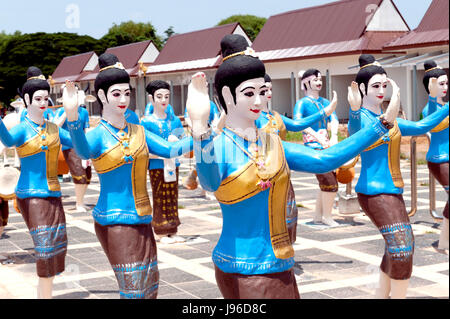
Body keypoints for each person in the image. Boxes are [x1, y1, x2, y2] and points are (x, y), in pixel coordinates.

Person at [185, 34, 398, 299]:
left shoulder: (273, 144)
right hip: (244, 267)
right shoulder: (219, 146)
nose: (258, 102)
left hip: (278, 263)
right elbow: (209, 182)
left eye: (262, 92)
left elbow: (326, 159)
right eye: (248, 94)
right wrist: (199, 128)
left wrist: (379, 126)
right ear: (227, 95)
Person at [62, 53, 192, 299]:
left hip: (142, 218)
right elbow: (81, 150)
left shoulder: (139, 131)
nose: (123, 100)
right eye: (116, 94)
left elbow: (169, 150)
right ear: (101, 96)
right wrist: (72, 118)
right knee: (134, 289)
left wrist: (200, 135)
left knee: (149, 286)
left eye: (127, 93)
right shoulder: (98, 134)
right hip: (115, 220)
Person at [347, 54, 449, 299]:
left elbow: (423, 126)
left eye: (384, 85)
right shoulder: (361, 119)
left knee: (396, 247)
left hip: (393, 192)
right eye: (375, 86)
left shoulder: (393, 121)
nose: (381, 90)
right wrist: (353, 110)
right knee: (403, 248)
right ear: (361, 89)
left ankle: (381, 294)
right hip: (373, 192)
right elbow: (354, 131)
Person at [0, 66, 74, 299]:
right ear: (27, 100)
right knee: (43, 245)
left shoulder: (53, 128)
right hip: (30, 194)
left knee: (55, 243)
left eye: (46, 98)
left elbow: (79, 145)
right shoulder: (22, 129)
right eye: (38, 98)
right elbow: (9, 141)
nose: (43, 102)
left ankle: (46, 294)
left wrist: (73, 115)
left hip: (53, 192)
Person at [257, 73, 338, 242]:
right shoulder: (254, 118)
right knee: (265, 215)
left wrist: (325, 112)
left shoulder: (275, 116)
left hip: (282, 171)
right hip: (261, 174)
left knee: (289, 213)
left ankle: (286, 248)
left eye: (270, 89)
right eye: (264, 90)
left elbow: (297, 125)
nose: (269, 93)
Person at [293, 69, 340, 226]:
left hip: (327, 146)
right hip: (312, 147)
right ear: (306, 82)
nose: (319, 82)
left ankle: (319, 216)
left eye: (320, 79)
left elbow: (334, 119)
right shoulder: (302, 104)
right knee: (329, 180)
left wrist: (334, 135)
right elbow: (298, 124)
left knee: (326, 181)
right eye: (315, 80)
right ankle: (327, 216)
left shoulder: (325, 102)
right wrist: (316, 136)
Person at [140, 80, 185, 244]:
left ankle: (172, 229)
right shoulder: (146, 122)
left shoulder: (175, 121)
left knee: (173, 196)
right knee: (160, 196)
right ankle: (160, 230)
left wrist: (177, 145)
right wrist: (161, 154)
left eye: (166, 96)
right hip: (157, 165)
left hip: (174, 164)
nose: (163, 100)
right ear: (151, 98)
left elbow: (184, 142)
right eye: (159, 96)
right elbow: (143, 149)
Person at [421, 60, 449, 251]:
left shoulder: (445, 106)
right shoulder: (429, 109)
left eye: (447, 83)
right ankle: (444, 241)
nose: (445, 87)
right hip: (440, 159)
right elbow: (431, 121)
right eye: (441, 84)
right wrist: (432, 98)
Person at [53, 86, 92, 213]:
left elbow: (85, 129)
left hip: (82, 144)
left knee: (87, 175)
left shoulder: (84, 112)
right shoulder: (60, 111)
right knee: (79, 173)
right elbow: (55, 126)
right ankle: (79, 203)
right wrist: (67, 110)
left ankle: (81, 201)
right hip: (68, 146)